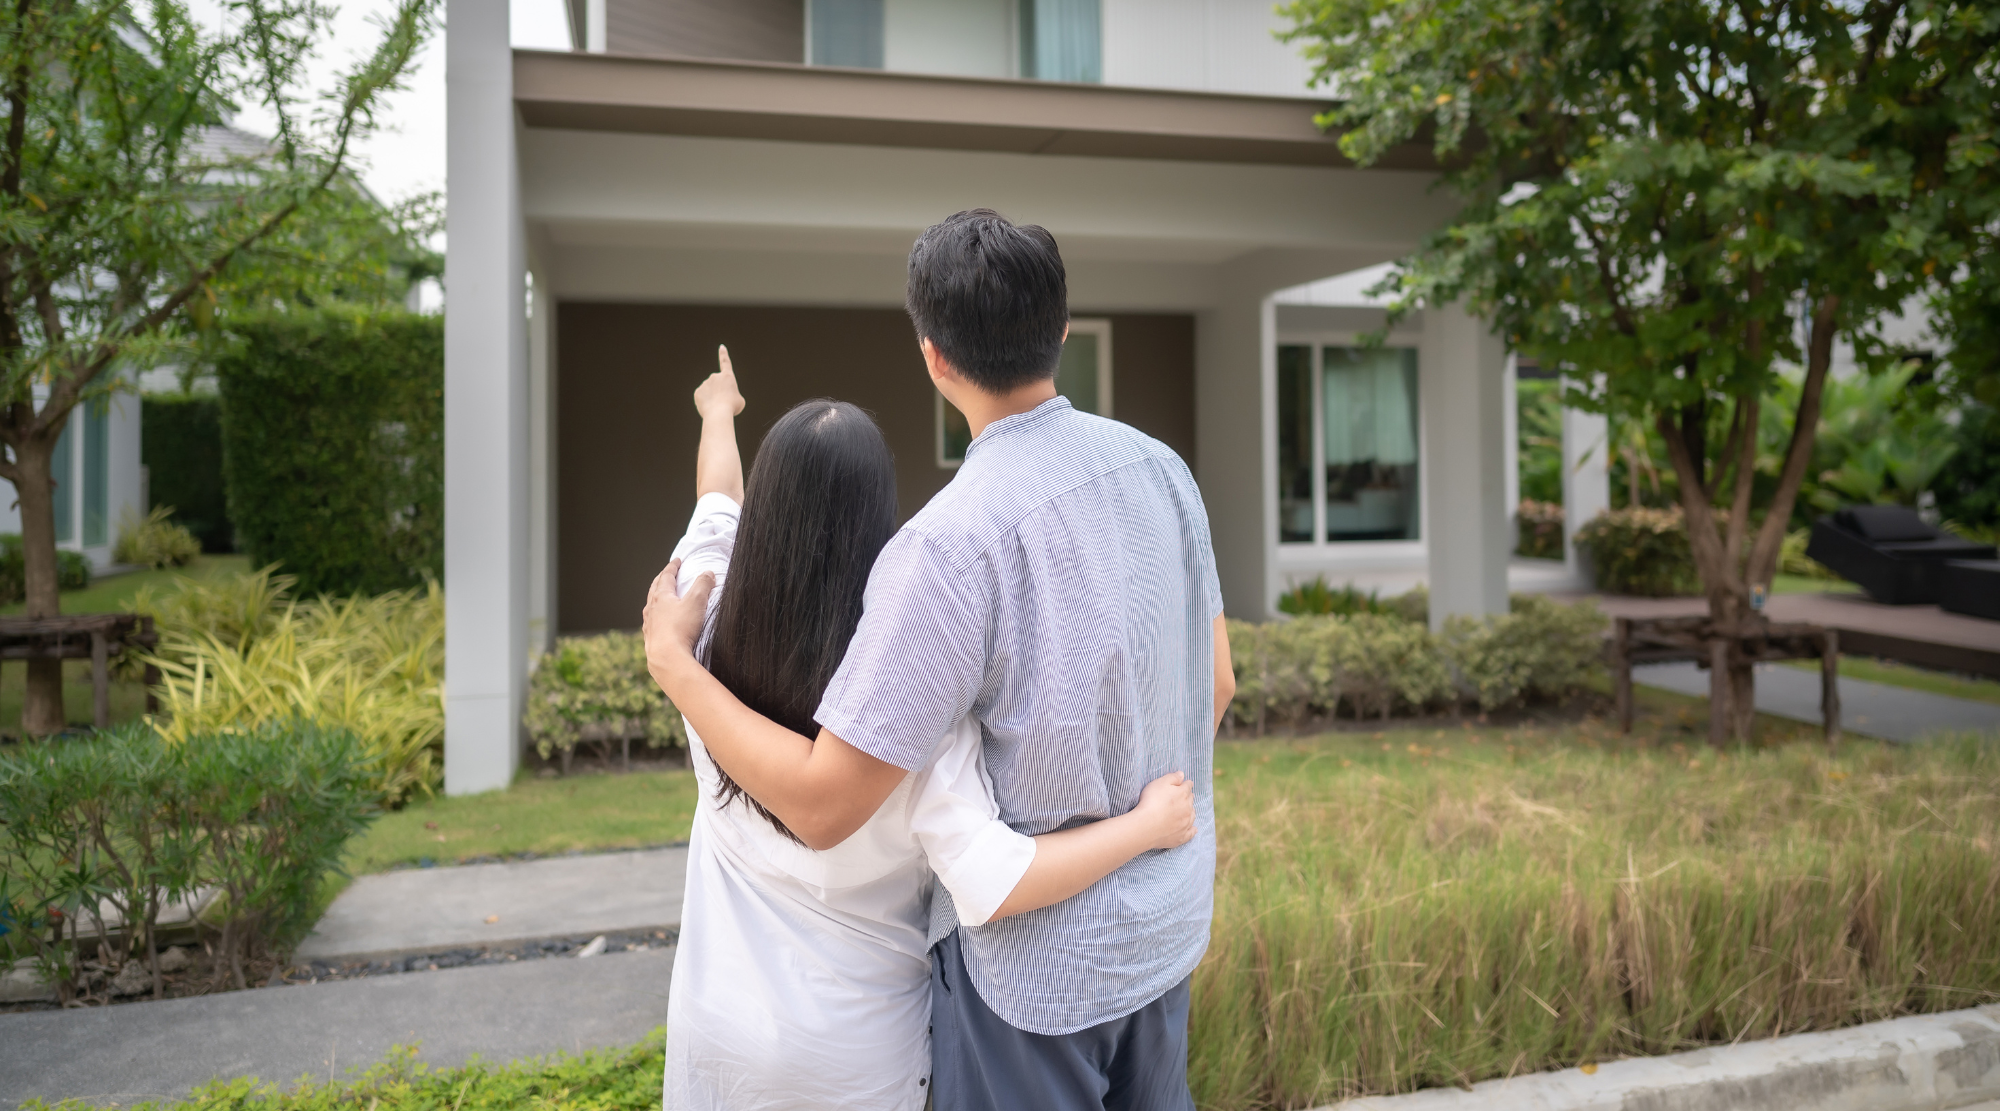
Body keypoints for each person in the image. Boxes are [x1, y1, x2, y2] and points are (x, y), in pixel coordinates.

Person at [645, 210, 1232, 1110]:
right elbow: (1218, 683)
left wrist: (677, 667)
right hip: (1161, 929)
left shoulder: (947, 546)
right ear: (1063, 329)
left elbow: (825, 799)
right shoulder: (1163, 470)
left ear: (933, 355)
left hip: (1035, 983)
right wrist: (1148, 818)